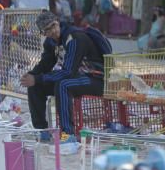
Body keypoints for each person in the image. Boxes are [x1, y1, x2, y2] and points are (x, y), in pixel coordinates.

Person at [20, 10, 109, 141]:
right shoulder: (51, 42)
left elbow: (68, 72)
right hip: (77, 78)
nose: (53, 31)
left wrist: (37, 78)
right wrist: (32, 75)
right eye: (47, 30)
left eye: (54, 26)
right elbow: (45, 64)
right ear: (43, 33)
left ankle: (68, 135)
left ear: (58, 22)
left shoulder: (74, 38)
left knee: (63, 84)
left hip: (95, 79)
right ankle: (42, 130)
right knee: (35, 86)